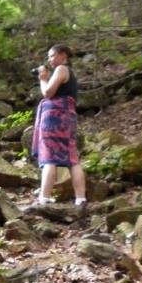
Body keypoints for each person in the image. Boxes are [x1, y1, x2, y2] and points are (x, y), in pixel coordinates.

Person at [31, 44, 87, 206]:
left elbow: (48, 93)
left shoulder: (62, 69)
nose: (50, 60)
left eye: (52, 55)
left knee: (49, 156)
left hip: (54, 116)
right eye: (48, 57)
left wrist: (43, 79)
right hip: (68, 116)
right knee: (72, 158)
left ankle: (44, 197)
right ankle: (80, 198)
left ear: (63, 55)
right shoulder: (70, 73)